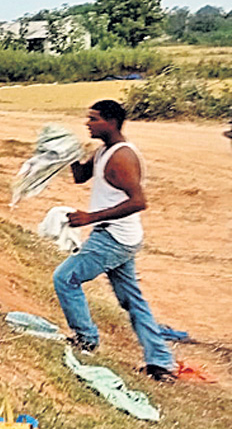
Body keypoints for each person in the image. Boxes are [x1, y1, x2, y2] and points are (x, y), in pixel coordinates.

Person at [52, 100, 176, 381]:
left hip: (113, 238)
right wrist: (66, 151)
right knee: (133, 300)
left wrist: (90, 217)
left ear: (110, 122)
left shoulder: (122, 158)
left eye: (93, 119)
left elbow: (138, 202)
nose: (87, 123)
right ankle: (160, 362)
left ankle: (86, 340)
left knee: (65, 278)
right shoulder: (104, 151)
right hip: (121, 236)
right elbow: (80, 177)